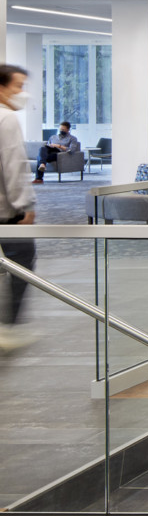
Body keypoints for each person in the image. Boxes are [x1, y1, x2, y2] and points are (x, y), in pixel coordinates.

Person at [0, 65, 37, 353]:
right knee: (22, 261)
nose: (22, 93)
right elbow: (14, 165)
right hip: (6, 211)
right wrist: (24, 205)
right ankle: (9, 325)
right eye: (17, 86)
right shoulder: (6, 118)